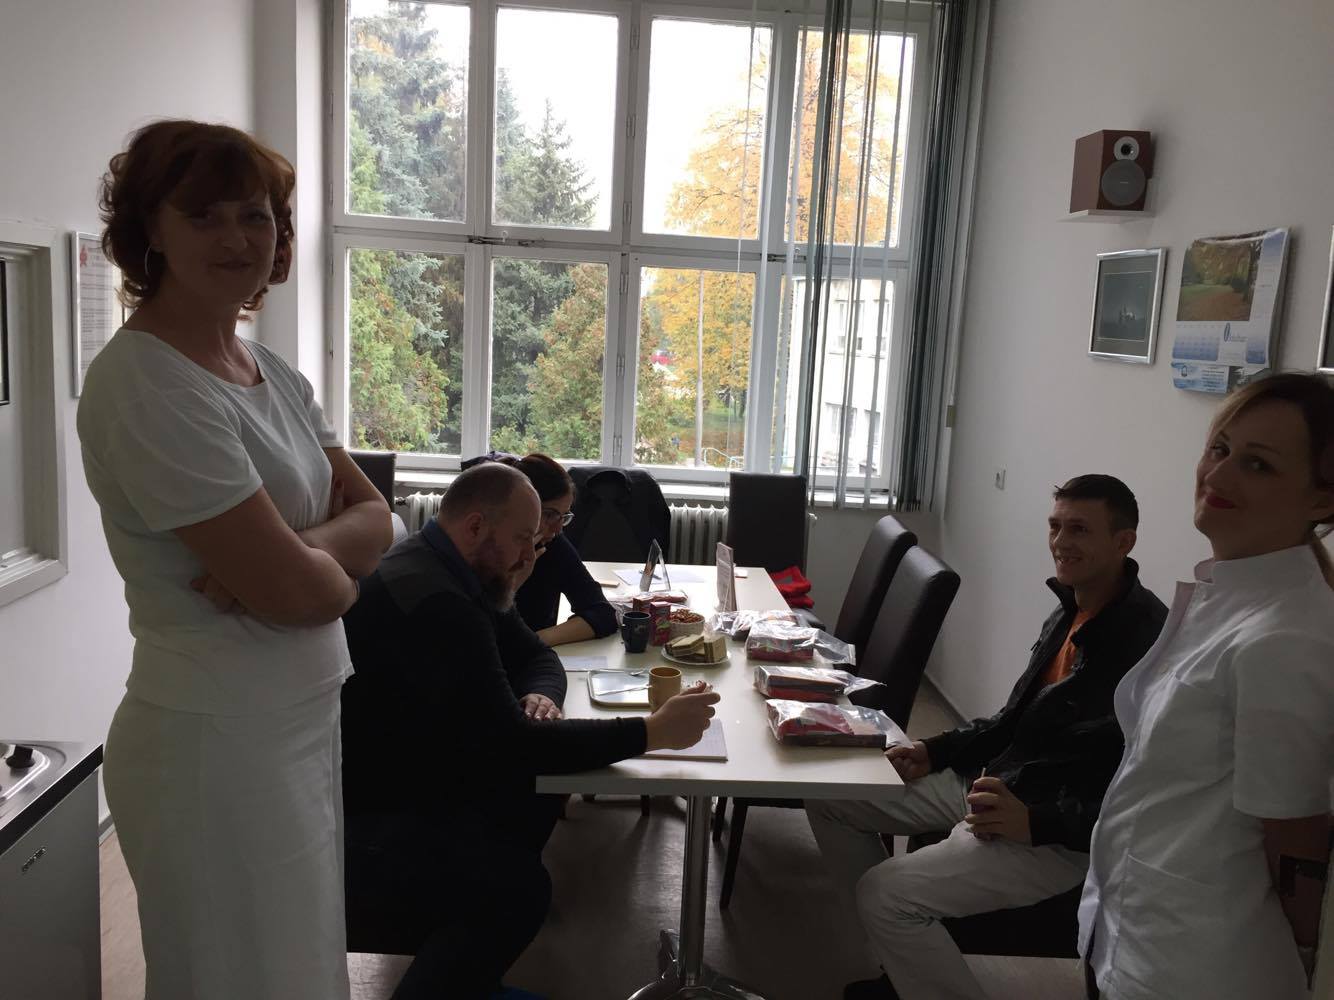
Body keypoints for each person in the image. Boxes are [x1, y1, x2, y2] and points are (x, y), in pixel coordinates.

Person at [78, 120, 392, 1000]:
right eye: (204, 216)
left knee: (298, 968)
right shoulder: (146, 383)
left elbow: (380, 519)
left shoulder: (271, 373)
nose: (236, 238)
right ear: (151, 229)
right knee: (237, 979)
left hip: (299, 715)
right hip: (214, 742)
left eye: (254, 215)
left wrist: (297, 554)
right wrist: (312, 573)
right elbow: (302, 595)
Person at [340, 462, 719, 999]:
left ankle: (468, 978)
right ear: (476, 526)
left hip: (415, 773)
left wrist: (541, 695)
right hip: (368, 820)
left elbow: (537, 655)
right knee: (517, 888)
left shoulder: (455, 569)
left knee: (530, 809)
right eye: (524, 538)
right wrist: (651, 733)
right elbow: (517, 746)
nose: (531, 554)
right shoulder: (438, 599)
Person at [806, 475, 1168, 1000]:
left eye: (1079, 529)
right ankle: (903, 964)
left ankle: (904, 947)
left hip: (1054, 836)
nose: (1061, 541)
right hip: (1001, 784)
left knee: (883, 894)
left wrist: (1036, 821)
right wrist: (934, 750)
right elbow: (1012, 719)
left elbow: (1138, 786)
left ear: (1123, 541)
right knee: (832, 796)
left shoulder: (1145, 642)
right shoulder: (1072, 609)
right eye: (1055, 526)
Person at [1079, 372, 1334, 1000]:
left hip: (1199, 962)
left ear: (1321, 499)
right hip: (1138, 927)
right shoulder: (1231, 596)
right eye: (1219, 449)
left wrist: (1311, 959)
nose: (1217, 475)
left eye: (1257, 464)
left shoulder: (1285, 638)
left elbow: (1296, 836)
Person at [462, 451, 617, 648]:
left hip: (530, 659)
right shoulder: (478, 550)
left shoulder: (551, 543)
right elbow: (473, 637)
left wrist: (532, 641)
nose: (558, 528)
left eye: (564, 516)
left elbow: (602, 614)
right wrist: (511, 584)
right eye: (550, 514)